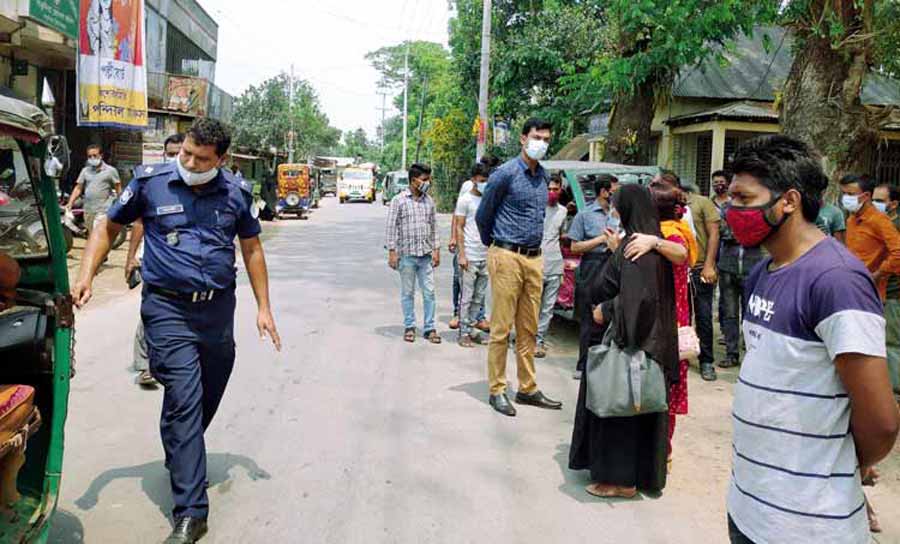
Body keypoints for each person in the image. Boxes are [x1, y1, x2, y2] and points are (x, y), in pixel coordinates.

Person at [71, 117, 282, 543]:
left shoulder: (236, 192)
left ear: (220, 160)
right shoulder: (150, 182)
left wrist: (264, 307)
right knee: (184, 398)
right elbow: (108, 226)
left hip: (217, 309)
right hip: (167, 308)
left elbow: (252, 249)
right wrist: (86, 274)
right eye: (186, 152)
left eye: (201, 159)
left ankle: (182, 450)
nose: (188, 162)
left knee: (208, 392)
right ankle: (191, 511)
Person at [722, 135, 898, 544]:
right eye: (730, 198)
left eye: (743, 198)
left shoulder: (837, 280)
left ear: (789, 201)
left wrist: (841, 461)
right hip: (749, 507)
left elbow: (882, 422)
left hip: (808, 524)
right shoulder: (763, 272)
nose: (732, 210)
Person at [568, 184, 678, 498]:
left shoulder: (637, 248)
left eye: (618, 206)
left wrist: (606, 310)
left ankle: (620, 481)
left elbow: (638, 299)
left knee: (619, 407)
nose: (614, 211)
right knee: (637, 409)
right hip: (646, 343)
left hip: (629, 345)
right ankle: (637, 476)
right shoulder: (647, 243)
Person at [476, 117, 562, 416]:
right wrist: (496, 248)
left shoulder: (544, 176)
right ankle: (497, 389)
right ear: (523, 138)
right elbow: (483, 216)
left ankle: (527, 387)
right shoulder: (505, 174)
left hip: (534, 258)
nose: (541, 143)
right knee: (501, 328)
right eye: (537, 137)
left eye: (546, 139)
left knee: (528, 327)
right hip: (507, 255)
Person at [127, 133, 185, 388]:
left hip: (184, 267)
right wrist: (131, 257)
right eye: (170, 153)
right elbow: (138, 223)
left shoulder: (200, 186)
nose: (174, 158)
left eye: (179, 153)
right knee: (151, 312)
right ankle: (145, 365)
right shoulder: (153, 184)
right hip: (154, 262)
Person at [386, 163, 442, 344]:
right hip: (407, 255)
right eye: (424, 179)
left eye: (428, 179)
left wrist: (436, 250)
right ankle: (409, 326)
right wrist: (392, 252)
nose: (428, 183)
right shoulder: (399, 200)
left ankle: (429, 328)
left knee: (429, 293)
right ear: (413, 180)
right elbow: (391, 227)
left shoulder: (429, 201)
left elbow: (434, 227)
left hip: (425, 255)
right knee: (408, 293)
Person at [568, 175, 616, 378]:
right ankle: (584, 365)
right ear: (604, 192)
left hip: (613, 264)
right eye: (614, 191)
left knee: (611, 314)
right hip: (592, 266)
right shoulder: (585, 215)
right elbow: (575, 246)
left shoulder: (619, 214)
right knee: (589, 316)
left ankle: (606, 365)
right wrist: (601, 239)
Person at [840, 174, 900, 300]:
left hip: (873, 293)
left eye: (850, 194)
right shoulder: (851, 220)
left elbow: (898, 252)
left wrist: (877, 275)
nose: (845, 198)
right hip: (853, 286)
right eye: (843, 193)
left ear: (866, 196)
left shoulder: (879, 220)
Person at [449, 161, 493, 333]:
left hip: (485, 255)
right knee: (466, 296)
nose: (485, 184)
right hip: (469, 254)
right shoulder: (465, 200)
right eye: (482, 180)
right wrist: (462, 254)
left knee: (479, 296)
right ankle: (464, 332)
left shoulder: (489, 200)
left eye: (487, 180)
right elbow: (459, 226)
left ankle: (472, 326)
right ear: (473, 179)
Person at [685, 175, 720, 381]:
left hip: (699, 269)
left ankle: (706, 360)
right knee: (680, 317)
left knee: (704, 316)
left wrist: (709, 265)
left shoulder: (702, 203)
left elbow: (714, 234)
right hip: (678, 270)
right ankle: (681, 356)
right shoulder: (668, 203)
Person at [535, 174, 567, 358]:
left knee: (547, 308)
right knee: (531, 305)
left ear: (561, 190)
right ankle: (526, 338)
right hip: (535, 264)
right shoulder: (535, 208)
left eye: (555, 189)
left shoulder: (563, 212)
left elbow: (561, 236)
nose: (552, 192)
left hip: (555, 265)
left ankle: (539, 340)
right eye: (549, 189)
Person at [66, 144, 122, 236]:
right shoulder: (85, 171)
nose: (92, 158)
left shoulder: (111, 171)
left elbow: (118, 188)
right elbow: (78, 188)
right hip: (88, 210)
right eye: (89, 156)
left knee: (98, 235)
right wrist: (70, 203)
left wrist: (120, 205)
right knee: (91, 235)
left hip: (103, 210)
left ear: (101, 155)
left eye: (95, 155)